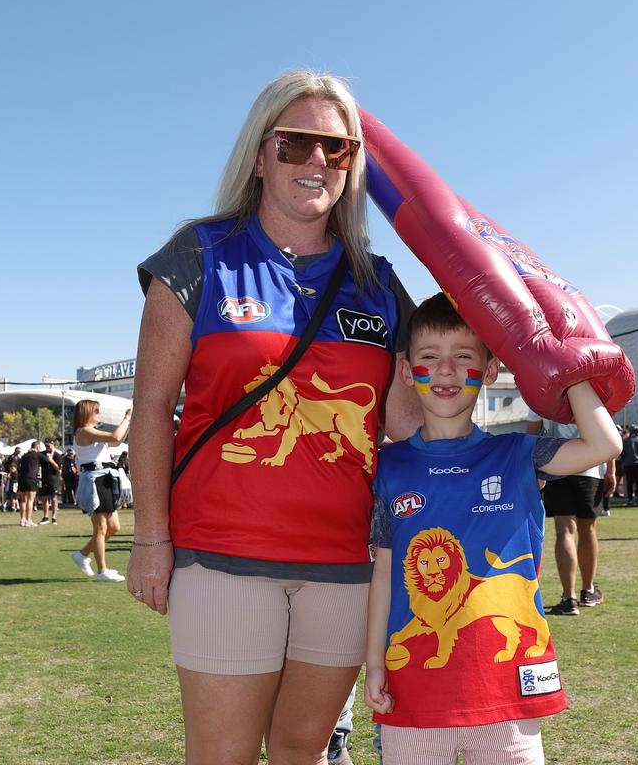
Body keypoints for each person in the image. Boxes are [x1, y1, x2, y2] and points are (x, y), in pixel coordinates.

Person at [126, 70, 421, 765]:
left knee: (304, 752)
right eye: (295, 143)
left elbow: (406, 424)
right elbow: (149, 409)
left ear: (353, 165)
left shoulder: (378, 282)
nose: (317, 161)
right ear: (260, 155)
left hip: (347, 565)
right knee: (222, 756)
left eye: (337, 148)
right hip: (223, 558)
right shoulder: (199, 255)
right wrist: (149, 539)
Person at [364, 294, 622, 765]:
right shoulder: (388, 467)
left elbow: (604, 443)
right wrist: (376, 663)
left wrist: (571, 366)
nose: (445, 370)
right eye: (429, 357)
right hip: (416, 690)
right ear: (406, 370)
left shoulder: (519, 454)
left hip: (508, 684)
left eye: (463, 356)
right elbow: (384, 574)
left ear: (488, 371)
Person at [527, 413, 616, 615]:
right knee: (588, 531)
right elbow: (607, 431)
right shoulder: (593, 389)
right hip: (590, 467)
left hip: (557, 465)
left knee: (564, 531)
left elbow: (531, 436)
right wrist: (611, 470)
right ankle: (588, 590)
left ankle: (569, 598)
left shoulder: (541, 392)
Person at [69, 400, 132, 582]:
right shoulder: (84, 431)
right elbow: (114, 437)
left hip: (105, 479)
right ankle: (102, 571)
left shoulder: (91, 432)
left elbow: (117, 439)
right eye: (96, 411)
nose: (99, 414)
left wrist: (129, 421)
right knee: (101, 527)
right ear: (87, 412)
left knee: (113, 527)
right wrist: (127, 418)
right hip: (95, 480)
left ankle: (82, 554)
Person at [38, 438, 62, 525]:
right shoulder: (42, 454)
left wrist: (51, 460)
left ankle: (54, 517)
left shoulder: (57, 455)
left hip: (54, 479)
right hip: (44, 479)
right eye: (45, 445)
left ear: (53, 444)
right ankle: (46, 517)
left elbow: (58, 469)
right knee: (44, 498)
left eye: (48, 445)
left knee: (54, 498)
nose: (47, 447)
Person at [18, 442, 41, 527]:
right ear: (37, 447)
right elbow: (47, 460)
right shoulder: (37, 455)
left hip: (23, 479)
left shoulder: (24, 455)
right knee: (30, 500)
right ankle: (28, 520)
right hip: (31, 479)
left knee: (23, 500)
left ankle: (22, 520)